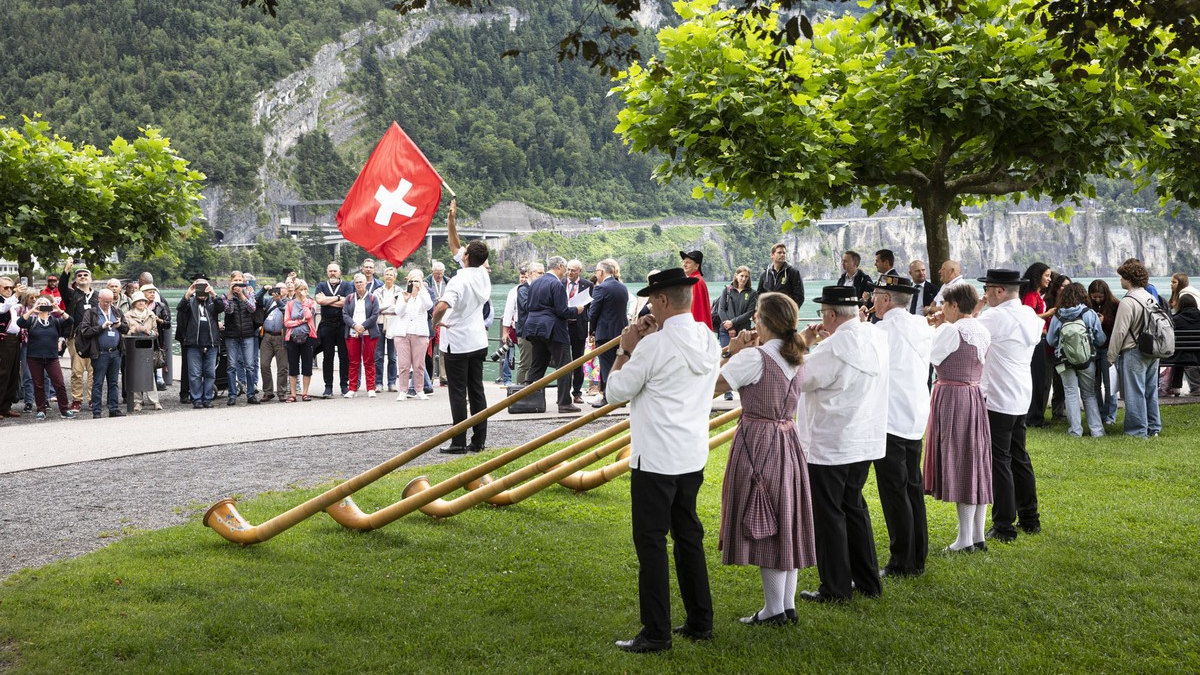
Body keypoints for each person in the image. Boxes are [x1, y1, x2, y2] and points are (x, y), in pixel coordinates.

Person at [606, 268, 720, 654]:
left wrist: (626, 348)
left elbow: (614, 391)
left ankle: (657, 631)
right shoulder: (708, 338)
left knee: (651, 543)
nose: (649, 306)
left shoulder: (652, 347)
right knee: (688, 536)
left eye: (653, 300)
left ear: (664, 301)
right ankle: (700, 620)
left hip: (655, 457)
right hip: (691, 453)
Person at [714, 292, 816, 625]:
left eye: (757, 315)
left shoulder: (754, 358)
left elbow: (709, 387)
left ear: (764, 320)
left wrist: (731, 352)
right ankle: (785, 605)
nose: (753, 320)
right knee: (784, 516)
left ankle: (775, 609)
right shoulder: (798, 354)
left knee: (765, 518)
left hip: (758, 441)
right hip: (789, 439)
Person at [796, 285, 888, 603]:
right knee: (854, 507)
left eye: (823, 313)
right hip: (863, 438)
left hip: (830, 441)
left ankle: (835, 587)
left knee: (829, 515)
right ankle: (867, 580)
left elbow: (800, 379)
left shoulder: (831, 349)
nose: (822, 318)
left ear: (832, 315)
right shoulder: (874, 337)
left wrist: (804, 346)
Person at [870, 275, 933, 578]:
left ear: (886, 299)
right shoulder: (921, 325)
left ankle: (901, 561)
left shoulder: (882, 331)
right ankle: (917, 555)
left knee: (895, 492)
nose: (872, 302)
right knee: (913, 488)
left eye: (875, 296)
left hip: (890, 417)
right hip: (915, 414)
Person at [976, 269, 1044, 543]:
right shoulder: (1029, 314)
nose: (985, 294)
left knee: (1000, 460)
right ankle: (1030, 518)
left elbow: (970, 337)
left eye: (987, 290)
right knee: (1019, 456)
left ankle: (1004, 524)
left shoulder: (994, 317)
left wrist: (976, 310)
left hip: (998, 395)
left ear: (999, 291)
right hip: (1020, 393)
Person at [924, 283, 992, 552]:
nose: (942, 309)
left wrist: (934, 327)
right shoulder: (981, 328)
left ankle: (965, 538)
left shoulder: (950, 330)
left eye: (944, 304)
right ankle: (977, 535)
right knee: (976, 462)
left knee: (962, 462)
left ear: (953, 305)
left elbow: (931, 356)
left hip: (952, 396)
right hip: (974, 395)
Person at [431, 240, 492, 453]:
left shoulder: (458, 281)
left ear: (466, 257)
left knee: (458, 392)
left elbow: (442, 305)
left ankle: (458, 441)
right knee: (477, 390)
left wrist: (435, 321)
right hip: (478, 340)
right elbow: (455, 246)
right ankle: (479, 440)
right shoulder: (483, 274)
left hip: (457, 342)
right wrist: (450, 223)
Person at [1108, 259, 1163, 438]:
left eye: (1122, 277)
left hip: (1134, 350)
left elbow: (1119, 331)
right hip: (1153, 349)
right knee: (1150, 389)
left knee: (1134, 392)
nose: (1120, 281)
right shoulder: (1151, 297)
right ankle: (1154, 427)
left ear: (1128, 278)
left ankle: (1137, 431)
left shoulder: (1128, 301)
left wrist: (1111, 355)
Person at [1046, 282, 1106, 437]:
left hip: (1064, 360)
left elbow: (1051, 341)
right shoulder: (1089, 313)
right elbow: (1100, 339)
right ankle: (1097, 431)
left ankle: (1075, 431)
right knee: (1089, 394)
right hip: (1087, 359)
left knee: (1070, 393)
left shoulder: (1057, 315)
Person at [524, 256, 581, 414]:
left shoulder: (535, 283)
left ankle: (527, 399)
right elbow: (562, 311)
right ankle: (564, 402)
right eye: (565, 268)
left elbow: (529, 305)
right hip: (553, 329)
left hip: (534, 326)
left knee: (537, 365)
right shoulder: (556, 284)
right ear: (560, 267)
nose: (565, 272)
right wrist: (577, 310)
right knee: (565, 365)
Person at [17, 295, 75, 420]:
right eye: (40, 303)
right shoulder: (32, 321)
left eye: (45, 303)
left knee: (59, 383)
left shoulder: (55, 321)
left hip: (52, 358)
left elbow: (70, 321)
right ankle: (41, 410)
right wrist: (32, 310)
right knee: (38, 385)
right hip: (34, 357)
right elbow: (20, 322)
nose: (42, 305)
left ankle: (64, 409)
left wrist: (58, 310)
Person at [78, 288, 129, 419]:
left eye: (111, 301)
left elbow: (126, 328)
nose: (108, 304)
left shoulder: (117, 311)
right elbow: (85, 331)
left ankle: (113, 408)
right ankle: (96, 410)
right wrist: (101, 327)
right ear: (99, 299)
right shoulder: (91, 313)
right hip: (100, 353)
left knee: (114, 382)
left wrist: (119, 326)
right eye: (106, 302)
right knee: (98, 382)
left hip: (115, 352)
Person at [177, 277, 226, 409]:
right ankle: (197, 399)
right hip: (194, 343)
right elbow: (180, 308)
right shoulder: (191, 302)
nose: (202, 294)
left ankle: (207, 398)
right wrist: (188, 293)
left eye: (204, 289)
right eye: (200, 290)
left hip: (211, 343)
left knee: (210, 373)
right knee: (195, 374)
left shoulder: (212, 302)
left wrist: (213, 293)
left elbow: (222, 307)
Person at [588, 258, 630, 408]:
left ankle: (608, 397)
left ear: (601, 272)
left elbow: (593, 312)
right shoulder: (622, 287)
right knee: (618, 366)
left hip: (605, 332)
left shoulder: (601, 288)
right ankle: (620, 397)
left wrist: (591, 330)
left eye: (596, 272)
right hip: (620, 332)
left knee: (606, 367)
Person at [59, 260, 98, 412]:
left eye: (85, 275)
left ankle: (92, 399)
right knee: (77, 370)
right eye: (79, 275)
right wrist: (67, 269)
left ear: (90, 279)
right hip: (76, 337)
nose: (82, 277)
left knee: (93, 371)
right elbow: (62, 286)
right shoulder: (71, 294)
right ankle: (77, 399)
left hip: (94, 337)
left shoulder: (98, 296)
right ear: (75, 279)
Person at [1020, 262, 1054, 428]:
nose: (1049, 279)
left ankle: (1035, 415)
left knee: (1039, 378)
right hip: (1036, 339)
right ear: (1037, 276)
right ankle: (1034, 417)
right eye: (1046, 275)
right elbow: (1028, 316)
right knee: (1037, 378)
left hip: (1039, 338)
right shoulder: (1031, 295)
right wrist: (1049, 313)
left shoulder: (1036, 294)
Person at [717, 266, 758, 400]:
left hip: (743, 331)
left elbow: (749, 313)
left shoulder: (752, 293)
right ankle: (726, 391)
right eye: (741, 276)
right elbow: (721, 310)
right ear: (736, 276)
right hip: (725, 330)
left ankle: (744, 389)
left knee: (743, 361)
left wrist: (733, 323)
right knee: (727, 355)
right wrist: (729, 327)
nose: (744, 279)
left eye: (746, 277)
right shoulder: (727, 290)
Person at [392, 269, 434, 401]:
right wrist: (405, 300)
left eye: (417, 281)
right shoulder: (402, 294)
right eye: (412, 281)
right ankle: (403, 390)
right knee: (404, 365)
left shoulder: (424, 294)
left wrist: (420, 290)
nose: (414, 283)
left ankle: (419, 389)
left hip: (420, 333)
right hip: (403, 334)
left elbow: (428, 306)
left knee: (419, 364)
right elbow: (398, 312)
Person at [315, 262, 353, 398]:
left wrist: (327, 300)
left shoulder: (347, 285)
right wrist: (337, 298)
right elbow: (319, 301)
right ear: (327, 272)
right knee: (328, 356)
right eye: (330, 271)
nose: (333, 273)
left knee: (344, 356)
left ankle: (344, 385)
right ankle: (328, 387)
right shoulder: (321, 285)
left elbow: (347, 302)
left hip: (343, 325)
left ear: (339, 272)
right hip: (326, 325)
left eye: (335, 271)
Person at [223, 271, 260, 406]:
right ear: (231, 281)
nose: (238, 283)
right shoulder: (226, 296)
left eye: (240, 280)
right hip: (232, 334)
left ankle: (251, 394)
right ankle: (232, 395)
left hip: (248, 334)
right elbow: (228, 310)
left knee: (249, 365)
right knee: (231, 365)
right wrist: (231, 294)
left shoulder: (250, 294)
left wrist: (243, 295)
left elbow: (252, 308)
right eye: (235, 280)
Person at [342, 273, 381, 399]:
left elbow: (375, 315)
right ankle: (352, 388)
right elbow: (345, 315)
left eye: (361, 282)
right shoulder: (349, 298)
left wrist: (363, 326)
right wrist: (354, 326)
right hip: (353, 332)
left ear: (366, 283)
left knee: (369, 361)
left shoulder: (373, 298)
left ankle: (371, 388)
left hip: (369, 333)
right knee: (353, 361)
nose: (359, 284)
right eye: (357, 282)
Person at [123, 291, 163, 412]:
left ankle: (155, 401)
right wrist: (134, 330)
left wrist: (148, 332)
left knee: (149, 374)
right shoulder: (127, 315)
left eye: (143, 301)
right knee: (134, 374)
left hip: (147, 348)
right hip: (133, 348)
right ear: (134, 303)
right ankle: (137, 402)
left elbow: (156, 333)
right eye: (139, 301)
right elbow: (124, 333)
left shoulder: (151, 315)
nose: (141, 303)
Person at [1088, 279, 1120, 424]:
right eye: (1094, 297)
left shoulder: (1115, 305)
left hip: (1108, 348)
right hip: (1093, 348)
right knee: (1094, 385)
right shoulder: (1088, 306)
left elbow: (1120, 326)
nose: (1098, 299)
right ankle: (1099, 414)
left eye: (1100, 296)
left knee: (1110, 385)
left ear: (1106, 294)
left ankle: (1110, 416)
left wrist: (1104, 320)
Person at [563, 259, 593, 404]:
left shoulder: (587, 285)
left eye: (573, 270)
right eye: (568, 269)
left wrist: (591, 329)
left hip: (579, 326)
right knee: (563, 360)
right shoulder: (560, 283)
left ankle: (577, 392)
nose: (570, 273)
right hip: (563, 326)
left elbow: (591, 308)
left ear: (580, 271)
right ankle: (563, 393)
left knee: (578, 360)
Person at [283, 280, 317, 402]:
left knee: (307, 364)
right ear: (296, 290)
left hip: (307, 337)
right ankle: (293, 393)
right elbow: (287, 322)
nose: (303, 291)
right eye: (301, 289)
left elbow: (308, 316)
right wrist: (299, 322)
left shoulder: (311, 303)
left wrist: (304, 302)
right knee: (293, 365)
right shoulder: (290, 304)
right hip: (292, 337)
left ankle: (305, 393)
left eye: (305, 289)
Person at [0, 278, 29, 419]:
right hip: (3, 340)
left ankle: (5, 406)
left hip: (14, 340)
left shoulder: (11, 301)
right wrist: (16, 295)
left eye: (11, 287)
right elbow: (2, 309)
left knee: (13, 374)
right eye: (6, 287)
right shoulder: (5, 301)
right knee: (3, 373)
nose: (9, 290)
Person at [256, 283, 289, 402]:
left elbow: (286, 311)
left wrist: (279, 300)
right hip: (267, 335)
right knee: (264, 364)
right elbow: (257, 300)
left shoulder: (289, 301)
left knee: (282, 366)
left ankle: (282, 392)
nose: (279, 290)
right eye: (277, 287)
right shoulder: (269, 301)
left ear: (286, 290)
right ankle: (268, 391)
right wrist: (264, 289)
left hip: (281, 336)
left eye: (282, 288)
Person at [513, 262, 542, 386]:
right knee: (525, 363)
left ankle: (530, 389)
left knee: (535, 363)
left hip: (537, 331)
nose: (542, 275)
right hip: (525, 332)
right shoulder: (523, 289)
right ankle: (519, 391)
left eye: (543, 273)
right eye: (539, 273)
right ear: (530, 274)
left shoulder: (538, 288)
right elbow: (526, 306)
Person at [373, 267, 401, 393]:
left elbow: (399, 308)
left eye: (391, 275)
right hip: (379, 323)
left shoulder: (400, 291)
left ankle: (392, 382)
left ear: (395, 277)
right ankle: (378, 382)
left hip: (394, 324)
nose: (389, 277)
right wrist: (390, 306)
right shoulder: (377, 291)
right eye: (387, 275)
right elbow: (376, 308)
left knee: (392, 356)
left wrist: (386, 307)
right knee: (378, 355)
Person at [498, 266, 527, 387]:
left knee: (525, 356)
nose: (523, 279)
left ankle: (525, 380)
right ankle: (507, 379)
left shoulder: (532, 289)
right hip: (513, 327)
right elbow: (508, 311)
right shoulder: (514, 291)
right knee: (509, 354)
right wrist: (505, 332)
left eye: (525, 277)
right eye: (521, 277)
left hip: (525, 328)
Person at [756, 243, 804, 309]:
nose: (782, 255)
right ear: (772, 255)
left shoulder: (793, 272)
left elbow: (799, 296)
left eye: (784, 253)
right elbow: (759, 295)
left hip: (785, 315)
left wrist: (791, 312)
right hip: (768, 314)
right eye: (779, 252)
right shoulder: (764, 275)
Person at [141, 285, 171, 391]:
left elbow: (168, 324)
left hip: (156, 341)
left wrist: (160, 320)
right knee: (142, 367)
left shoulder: (160, 306)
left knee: (154, 365)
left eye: (154, 292)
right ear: (143, 294)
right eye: (150, 292)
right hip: (141, 341)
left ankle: (153, 392)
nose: (152, 294)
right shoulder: (139, 307)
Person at [426, 260, 450, 386]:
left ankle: (443, 377)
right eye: (436, 274)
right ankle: (429, 377)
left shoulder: (448, 282)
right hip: (431, 317)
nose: (439, 276)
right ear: (432, 272)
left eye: (440, 274)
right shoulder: (426, 282)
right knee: (430, 349)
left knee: (443, 348)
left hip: (444, 317)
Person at [1170, 295, 1200, 393]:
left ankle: (1176, 387)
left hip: (1180, 355)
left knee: (1181, 352)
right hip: (1197, 354)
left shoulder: (1176, 319)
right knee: (1185, 353)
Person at [679, 250, 712, 328]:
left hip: (695, 328)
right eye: (684, 262)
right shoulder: (695, 280)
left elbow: (696, 309)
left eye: (688, 262)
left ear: (696, 266)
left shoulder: (695, 282)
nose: (684, 264)